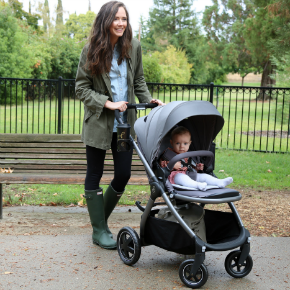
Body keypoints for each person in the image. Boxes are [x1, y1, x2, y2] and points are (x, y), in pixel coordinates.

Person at [75, 1, 164, 250]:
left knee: (123, 174)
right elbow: (81, 88)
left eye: (124, 19)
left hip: (125, 125)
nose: (121, 23)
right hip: (99, 123)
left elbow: (139, 80)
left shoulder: (133, 46)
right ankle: (100, 230)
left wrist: (148, 101)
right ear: (106, 20)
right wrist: (108, 104)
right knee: (94, 174)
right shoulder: (91, 50)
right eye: (116, 18)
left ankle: (99, 224)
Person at [160, 126, 233, 191]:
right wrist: (171, 165)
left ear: (189, 143)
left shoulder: (189, 155)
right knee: (181, 177)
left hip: (190, 174)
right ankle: (197, 185)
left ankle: (219, 182)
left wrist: (197, 168)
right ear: (171, 143)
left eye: (185, 143)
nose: (182, 146)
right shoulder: (168, 154)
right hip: (175, 176)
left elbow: (190, 167)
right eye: (178, 143)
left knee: (203, 176)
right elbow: (161, 165)